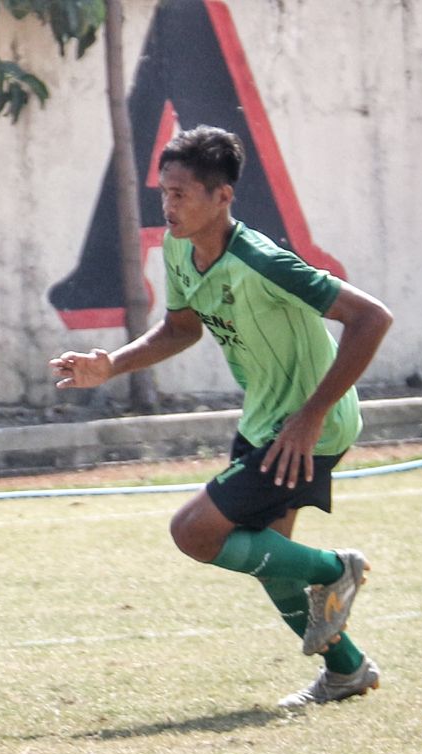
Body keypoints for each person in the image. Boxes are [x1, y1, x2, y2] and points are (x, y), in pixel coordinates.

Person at [49, 126, 393, 708]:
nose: (169, 205)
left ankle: (335, 569)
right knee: (270, 561)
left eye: (181, 194)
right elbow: (182, 328)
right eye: (165, 192)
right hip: (266, 419)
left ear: (222, 198)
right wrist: (112, 366)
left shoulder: (263, 261)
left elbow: (371, 319)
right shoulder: (181, 248)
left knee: (195, 531)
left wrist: (310, 417)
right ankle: (347, 671)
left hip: (309, 427)